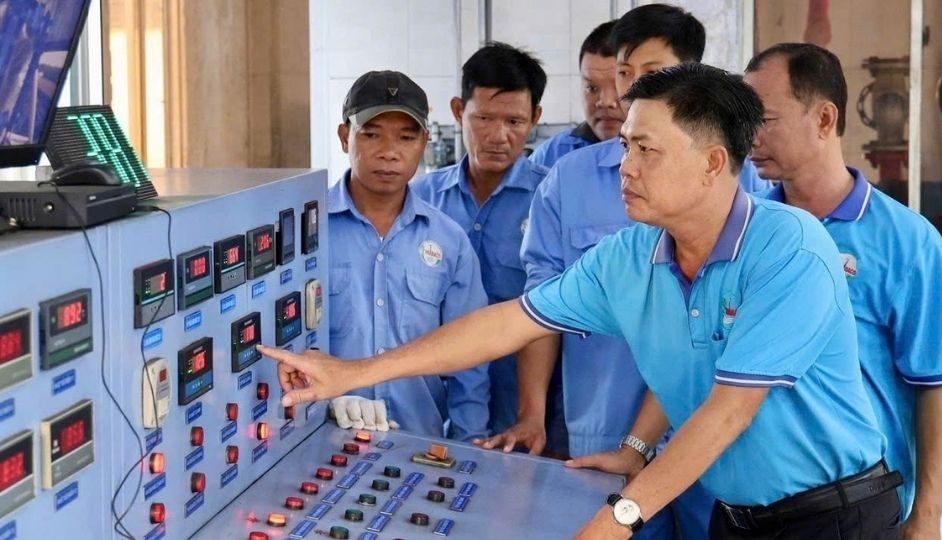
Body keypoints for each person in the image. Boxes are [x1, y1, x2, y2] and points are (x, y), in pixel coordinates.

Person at [260, 63, 900, 539]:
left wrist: (622, 514)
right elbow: (511, 322)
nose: (623, 166)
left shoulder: (790, 248)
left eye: (645, 150)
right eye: (625, 145)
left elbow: (729, 411)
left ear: (712, 162)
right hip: (737, 517)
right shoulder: (634, 255)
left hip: (831, 514)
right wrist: (356, 372)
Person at [480, 5, 769, 536]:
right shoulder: (568, 181)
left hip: (717, 443)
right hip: (606, 431)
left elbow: (711, 333)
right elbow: (534, 312)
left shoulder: (745, 189)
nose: (624, 92)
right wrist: (533, 412)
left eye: (650, 74)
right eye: (623, 73)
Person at [745, 43, 942, 537]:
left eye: (766, 119)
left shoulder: (904, 239)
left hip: (858, 506)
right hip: (753, 506)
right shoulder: (746, 228)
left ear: (824, 118)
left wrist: (927, 514)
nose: (750, 137)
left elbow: (937, 384)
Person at [324, 70, 490, 442]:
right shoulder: (307, 233)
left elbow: (471, 356)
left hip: (421, 443)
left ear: (425, 143)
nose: (389, 151)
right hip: (321, 442)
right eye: (371, 134)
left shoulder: (449, 242)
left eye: (406, 137)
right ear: (343, 136)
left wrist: (469, 447)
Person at [411, 43, 548, 436]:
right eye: (484, 118)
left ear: (535, 118)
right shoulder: (421, 200)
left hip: (521, 414)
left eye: (515, 122)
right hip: (433, 406)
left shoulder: (551, 201)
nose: (498, 136)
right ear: (458, 111)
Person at [529, 20, 624, 168]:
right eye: (592, 88)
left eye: (618, 86)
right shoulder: (551, 158)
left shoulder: (668, 157)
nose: (605, 102)